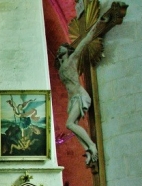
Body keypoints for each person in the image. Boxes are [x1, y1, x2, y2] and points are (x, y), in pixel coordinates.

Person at [55, 12, 107, 166]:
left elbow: (84, 42)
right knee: (72, 125)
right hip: (72, 99)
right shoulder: (60, 68)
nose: (58, 50)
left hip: (79, 95)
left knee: (70, 124)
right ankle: (88, 149)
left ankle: (92, 146)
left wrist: (98, 24)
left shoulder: (72, 59)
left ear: (67, 50)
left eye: (61, 48)